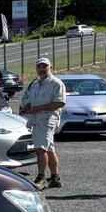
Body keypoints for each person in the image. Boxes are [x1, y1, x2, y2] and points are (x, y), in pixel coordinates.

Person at [19, 58, 66, 189]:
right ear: (36, 69)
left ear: (50, 67)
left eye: (44, 66)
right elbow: (32, 101)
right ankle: (55, 178)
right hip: (36, 120)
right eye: (39, 67)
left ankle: (41, 177)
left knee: (40, 148)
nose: (42, 69)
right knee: (49, 149)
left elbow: (60, 103)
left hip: (48, 120)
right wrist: (26, 107)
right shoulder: (35, 84)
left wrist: (38, 108)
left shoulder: (56, 83)